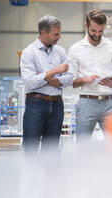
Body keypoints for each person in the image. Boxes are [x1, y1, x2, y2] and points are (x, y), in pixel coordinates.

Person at [67, 9, 112, 141]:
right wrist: (84, 80)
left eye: (101, 31)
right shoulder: (75, 49)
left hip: (110, 102)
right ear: (86, 26)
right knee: (83, 145)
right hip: (87, 103)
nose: (97, 35)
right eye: (93, 31)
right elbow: (71, 81)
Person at [20, 15, 73, 151]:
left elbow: (69, 78)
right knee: (30, 149)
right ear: (44, 33)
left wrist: (44, 78)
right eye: (56, 34)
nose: (59, 37)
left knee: (51, 152)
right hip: (36, 105)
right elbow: (29, 84)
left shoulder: (60, 52)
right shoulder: (29, 53)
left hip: (57, 105)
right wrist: (55, 70)